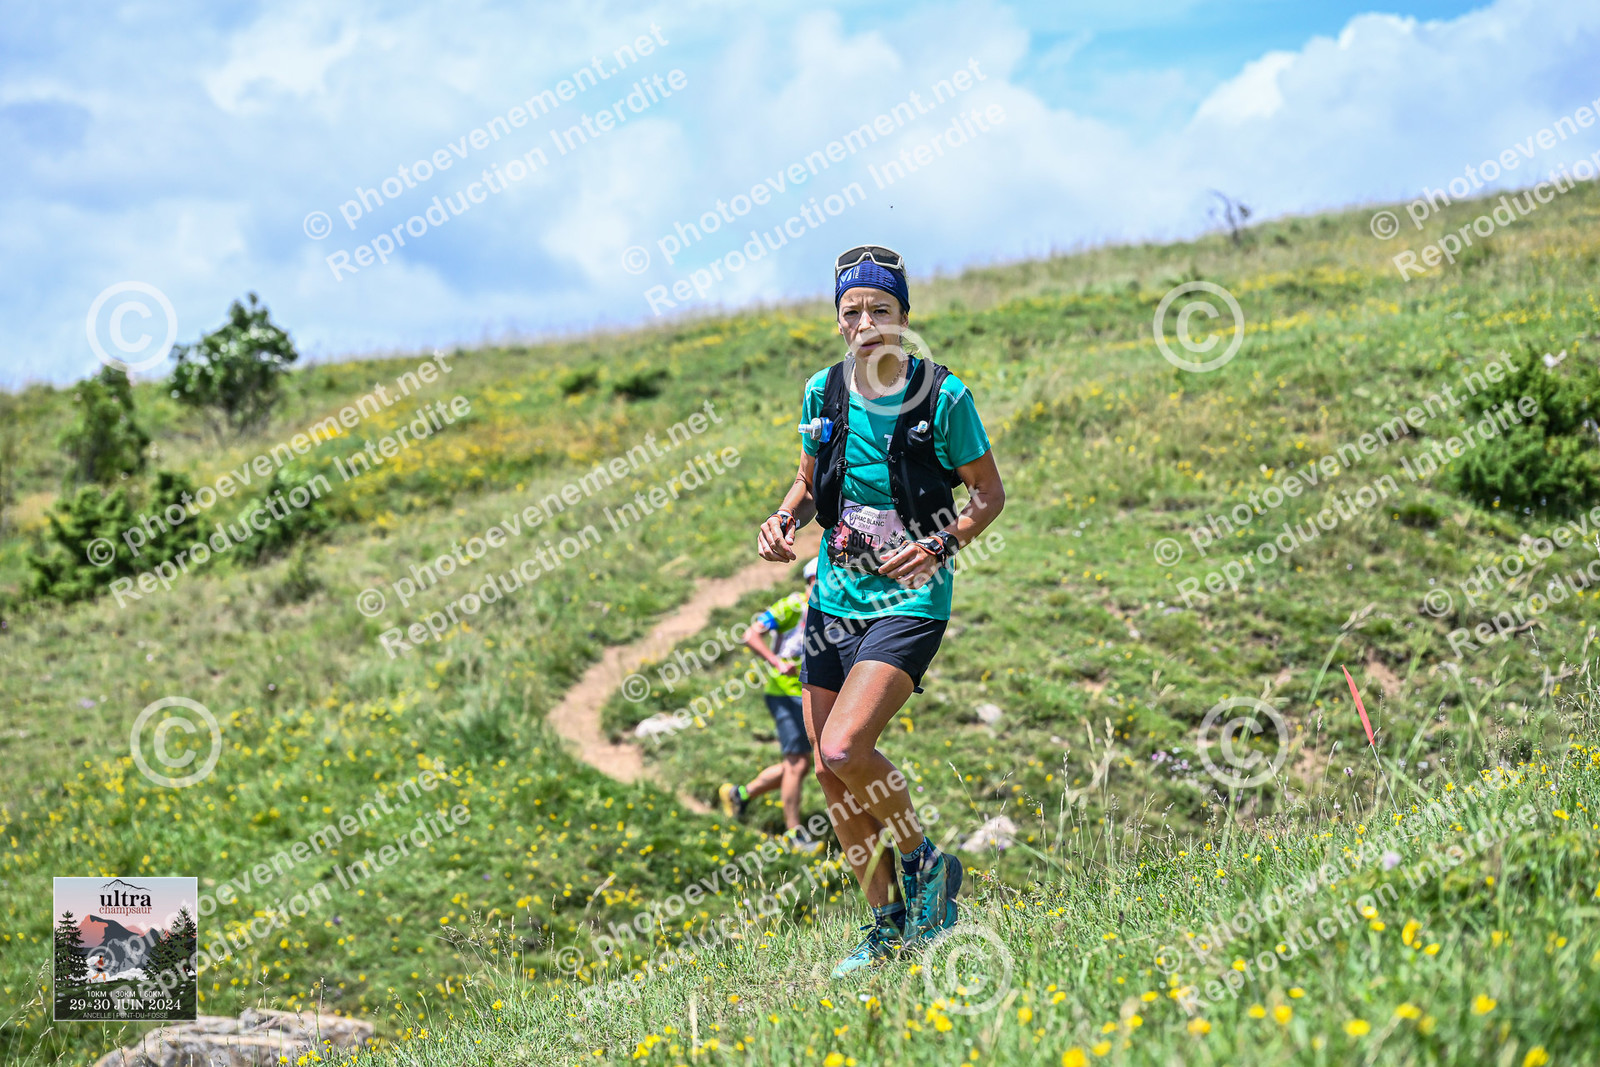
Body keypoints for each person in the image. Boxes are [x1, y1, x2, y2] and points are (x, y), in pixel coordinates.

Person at [755, 244, 1005, 978]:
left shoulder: (944, 398)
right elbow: (809, 482)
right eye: (852, 311)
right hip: (833, 598)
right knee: (831, 774)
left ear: (903, 317)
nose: (866, 323)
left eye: (880, 309)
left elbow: (988, 494)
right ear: (838, 321)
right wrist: (783, 518)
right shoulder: (822, 392)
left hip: (910, 598)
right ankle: (888, 925)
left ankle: (926, 863)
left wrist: (943, 542)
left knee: (842, 749)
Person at [717, 557, 827, 855]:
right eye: (821, 580)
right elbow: (750, 634)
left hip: (809, 692)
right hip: (784, 692)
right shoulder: (792, 606)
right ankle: (793, 836)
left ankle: (739, 794)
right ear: (810, 581)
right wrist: (777, 662)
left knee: (800, 764)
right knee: (798, 763)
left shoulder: (832, 611)